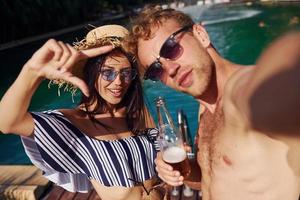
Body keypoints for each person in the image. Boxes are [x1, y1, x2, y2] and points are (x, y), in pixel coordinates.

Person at [125, 5, 300, 200]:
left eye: (170, 48)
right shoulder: (205, 109)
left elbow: (278, 87)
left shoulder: (245, 89)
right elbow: (211, 177)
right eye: (156, 69)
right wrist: (184, 169)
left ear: (200, 34)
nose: (170, 69)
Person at [0, 24, 164, 200]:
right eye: (108, 73)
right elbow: (7, 123)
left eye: (125, 73)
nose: (118, 82)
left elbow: (159, 161)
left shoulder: (135, 111)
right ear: (91, 73)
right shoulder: (73, 123)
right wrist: (33, 72)